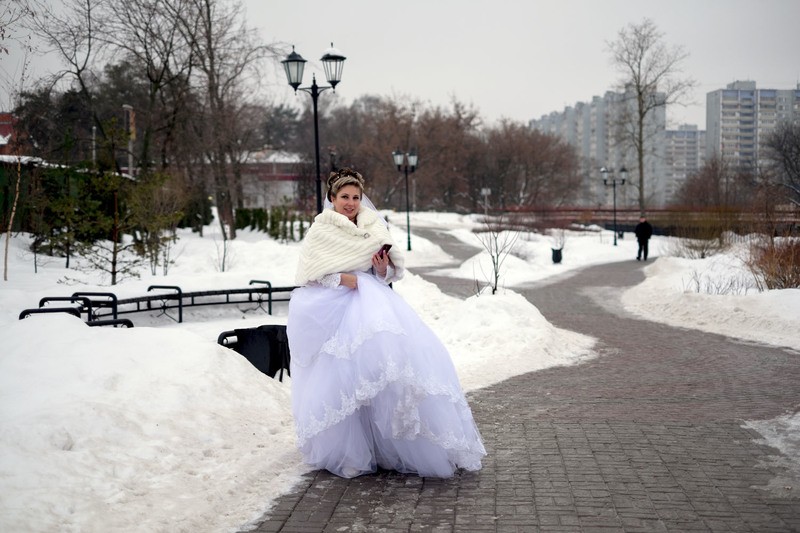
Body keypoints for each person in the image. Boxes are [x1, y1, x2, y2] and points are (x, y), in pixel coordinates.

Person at [286, 168, 486, 479]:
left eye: (355, 197)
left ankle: (387, 446)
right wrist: (346, 278)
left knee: (386, 370)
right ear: (332, 198)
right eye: (344, 197)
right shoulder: (321, 231)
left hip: (372, 302)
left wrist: (381, 271)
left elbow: (390, 272)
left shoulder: (373, 227)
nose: (350, 203)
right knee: (342, 377)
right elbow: (311, 274)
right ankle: (350, 449)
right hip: (333, 306)